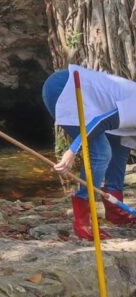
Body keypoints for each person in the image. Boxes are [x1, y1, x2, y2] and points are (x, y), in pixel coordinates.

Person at [43, 64, 136, 240]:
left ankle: (116, 212)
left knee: (119, 150)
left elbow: (120, 153)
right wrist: (72, 151)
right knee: (101, 153)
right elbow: (101, 122)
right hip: (65, 87)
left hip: (89, 101)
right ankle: (83, 221)